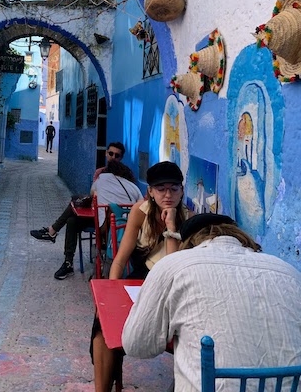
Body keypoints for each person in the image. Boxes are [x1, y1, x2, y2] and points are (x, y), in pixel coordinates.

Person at [122, 213, 301, 392]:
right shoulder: (288, 271)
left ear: (189, 243)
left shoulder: (174, 265)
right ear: (238, 235)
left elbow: (136, 345)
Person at [92, 160, 190, 392]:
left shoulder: (188, 219)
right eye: (161, 189)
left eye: (174, 189)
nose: (168, 195)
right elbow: (119, 260)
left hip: (172, 283)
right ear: (150, 191)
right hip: (141, 277)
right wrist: (113, 296)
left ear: (182, 190)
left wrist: (171, 224)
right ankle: (103, 387)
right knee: (102, 323)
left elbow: (171, 268)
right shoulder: (140, 212)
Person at [30, 142, 129, 280]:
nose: (113, 157)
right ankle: (68, 263)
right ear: (106, 153)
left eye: (117, 155)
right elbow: (93, 194)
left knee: (72, 212)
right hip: (96, 215)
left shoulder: (124, 175)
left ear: (121, 158)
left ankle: (52, 231)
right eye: (110, 153)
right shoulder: (100, 173)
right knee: (72, 221)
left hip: (111, 221)